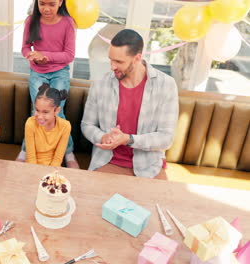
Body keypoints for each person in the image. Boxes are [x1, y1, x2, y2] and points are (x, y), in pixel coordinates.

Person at [81, 29, 179, 179]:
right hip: (108, 162)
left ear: (137, 58)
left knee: (158, 203)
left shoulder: (166, 85)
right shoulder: (100, 84)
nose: (112, 66)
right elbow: (87, 125)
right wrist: (102, 137)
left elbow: (166, 138)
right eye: (110, 59)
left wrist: (129, 139)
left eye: (119, 62)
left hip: (149, 167)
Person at [17, 0, 79, 168]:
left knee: (56, 112)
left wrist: (46, 56)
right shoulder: (31, 21)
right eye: (42, 4)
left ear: (60, 2)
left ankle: (68, 152)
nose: (46, 9)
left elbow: (69, 55)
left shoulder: (68, 23)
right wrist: (32, 56)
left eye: (51, 4)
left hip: (60, 72)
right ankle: (25, 151)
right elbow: (24, 48)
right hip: (37, 72)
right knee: (38, 111)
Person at [25, 83, 71, 167]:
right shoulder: (30, 123)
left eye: (45, 112)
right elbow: (31, 158)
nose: (40, 116)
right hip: (32, 167)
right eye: (37, 110)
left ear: (57, 110)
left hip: (53, 169)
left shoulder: (65, 126)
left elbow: (57, 159)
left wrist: (49, 175)